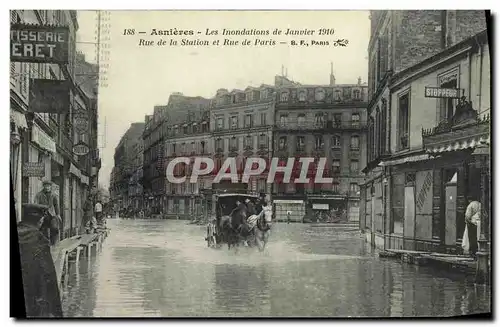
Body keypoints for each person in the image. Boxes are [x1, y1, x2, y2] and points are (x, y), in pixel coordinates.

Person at [17, 204, 63, 317]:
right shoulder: (39, 240)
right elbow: (48, 276)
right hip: (33, 298)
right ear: (39, 220)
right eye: (42, 219)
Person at [34, 180, 62, 245]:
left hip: (52, 214)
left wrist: (58, 214)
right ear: (43, 186)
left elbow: (56, 205)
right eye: (46, 186)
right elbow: (36, 204)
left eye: (48, 186)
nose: (47, 188)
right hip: (42, 215)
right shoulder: (39, 195)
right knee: (43, 229)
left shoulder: (54, 195)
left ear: (50, 187)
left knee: (54, 228)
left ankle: (53, 242)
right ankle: (45, 243)